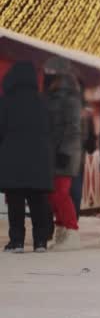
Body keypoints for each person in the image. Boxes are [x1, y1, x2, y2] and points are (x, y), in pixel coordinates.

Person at [0, 62, 53, 253]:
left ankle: (17, 241)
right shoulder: (42, 102)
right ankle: (40, 241)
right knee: (38, 201)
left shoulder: (5, 101)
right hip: (39, 157)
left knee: (15, 202)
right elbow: (51, 130)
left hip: (13, 157)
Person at [44, 57, 82, 251]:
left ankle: (71, 229)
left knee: (60, 193)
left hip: (64, 154)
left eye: (50, 72)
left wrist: (64, 151)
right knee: (53, 194)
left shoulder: (70, 97)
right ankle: (62, 232)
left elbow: (73, 128)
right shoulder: (53, 95)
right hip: (54, 151)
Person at [70, 87, 97, 219]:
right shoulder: (85, 110)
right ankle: (73, 220)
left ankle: (64, 221)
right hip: (78, 155)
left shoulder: (56, 103)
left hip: (59, 153)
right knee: (75, 187)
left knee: (61, 189)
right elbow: (90, 138)